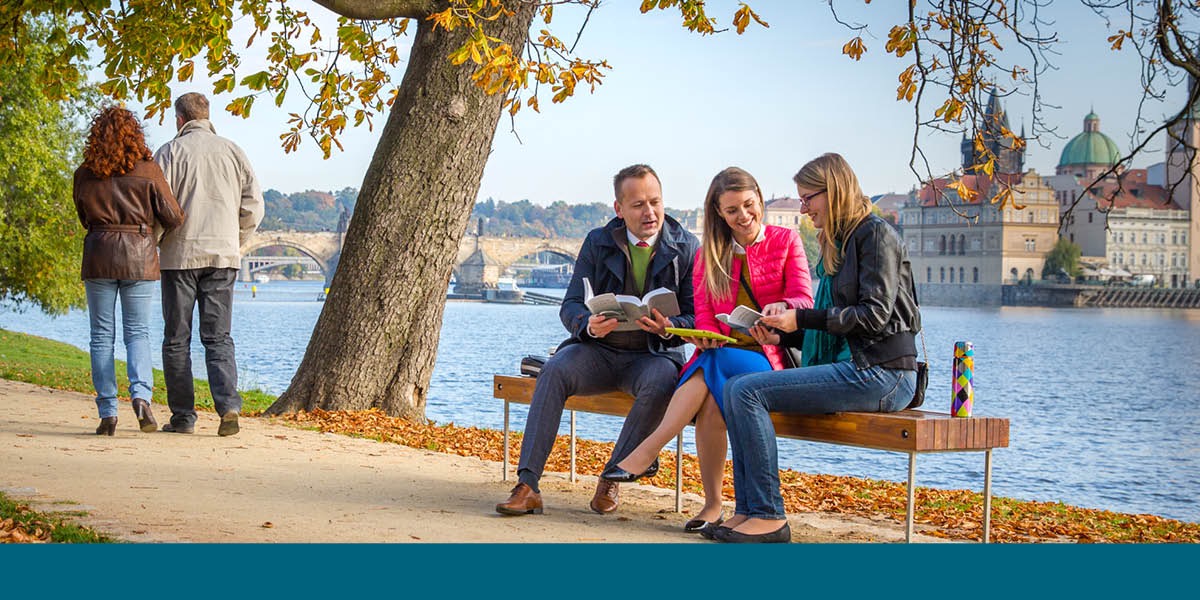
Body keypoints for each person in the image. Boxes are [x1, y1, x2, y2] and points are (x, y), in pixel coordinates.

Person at [714, 153, 921, 543]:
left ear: (836, 191)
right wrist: (782, 335)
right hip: (860, 367)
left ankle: (769, 516)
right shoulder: (838, 243)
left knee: (746, 389)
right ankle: (748, 510)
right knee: (736, 387)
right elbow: (833, 324)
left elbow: (873, 316)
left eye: (809, 198)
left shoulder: (874, 235)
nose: (804, 207)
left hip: (884, 372)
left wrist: (800, 320)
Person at [598, 167, 812, 534]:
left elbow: (804, 298)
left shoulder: (786, 241)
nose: (743, 217)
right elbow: (706, 315)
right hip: (721, 356)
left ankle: (650, 450)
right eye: (732, 211)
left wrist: (782, 308)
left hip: (769, 358)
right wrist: (704, 335)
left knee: (713, 364)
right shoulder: (708, 254)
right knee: (712, 398)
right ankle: (713, 505)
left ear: (759, 199)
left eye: (748, 205)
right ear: (718, 214)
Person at [495, 164, 700, 516]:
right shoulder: (597, 241)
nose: (649, 212)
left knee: (664, 381)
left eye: (655, 201)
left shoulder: (687, 246)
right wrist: (588, 325)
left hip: (654, 356)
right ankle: (528, 485)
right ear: (619, 209)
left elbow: (699, 317)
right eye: (638, 205)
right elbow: (570, 305)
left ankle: (612, 479)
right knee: (555, 370)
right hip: (599, 351)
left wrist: (670, 325)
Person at [154, 92, 263, 437]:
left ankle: (184, 417)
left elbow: (155, 203)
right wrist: (236, 238)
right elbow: (254, 206)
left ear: (179, 119)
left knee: (176, 339)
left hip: (180, 255)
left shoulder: (170, 152)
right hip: (222, 255)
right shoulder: (233, 151)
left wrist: (159, 241)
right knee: (218, 337)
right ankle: (228, 406)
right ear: (207, 115)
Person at [73, 106, 186, 435]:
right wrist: (147, 229)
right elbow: (174, 215)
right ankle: (141, 397)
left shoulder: (84, 173)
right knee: (137, 333)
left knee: (100, 336)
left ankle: (108, 411)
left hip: (98, 254)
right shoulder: (148, 171)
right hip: (139, 255)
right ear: (135, 134)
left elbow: (83, 215)